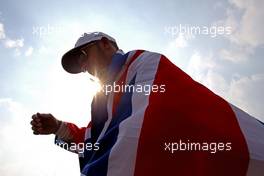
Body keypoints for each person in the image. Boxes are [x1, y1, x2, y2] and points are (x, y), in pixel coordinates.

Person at [31, 32, 264, 176]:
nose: (83, 66)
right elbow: (95, 139)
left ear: (106, 44)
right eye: (79, 64)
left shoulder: (142, 63)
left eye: (83, 54)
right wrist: (59, 128)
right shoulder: (101, 100)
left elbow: (144, 131)